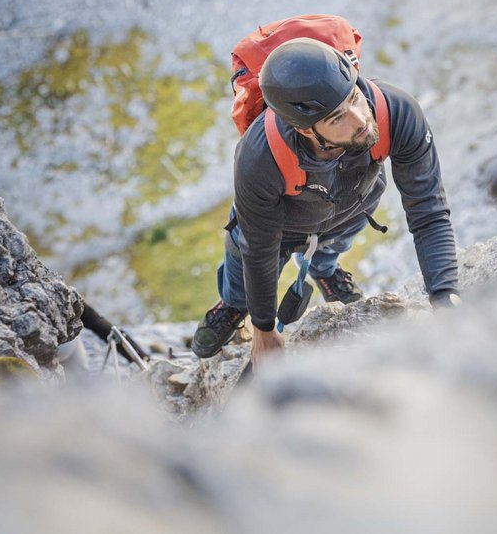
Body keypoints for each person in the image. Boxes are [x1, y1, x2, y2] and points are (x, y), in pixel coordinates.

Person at [191, 37, 459, 366]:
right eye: (336, 119)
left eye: (355, 98)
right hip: (281, 226)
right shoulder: (259, 157)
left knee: (331, 250)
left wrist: (446, 298)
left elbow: (428, 213)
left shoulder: (397, 110)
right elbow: (258, 248)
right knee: (241, 282)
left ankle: (325, 272)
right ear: (304, 130)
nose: (360, 119)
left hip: (352, 209)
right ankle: (233, 306)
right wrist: (263, 329)